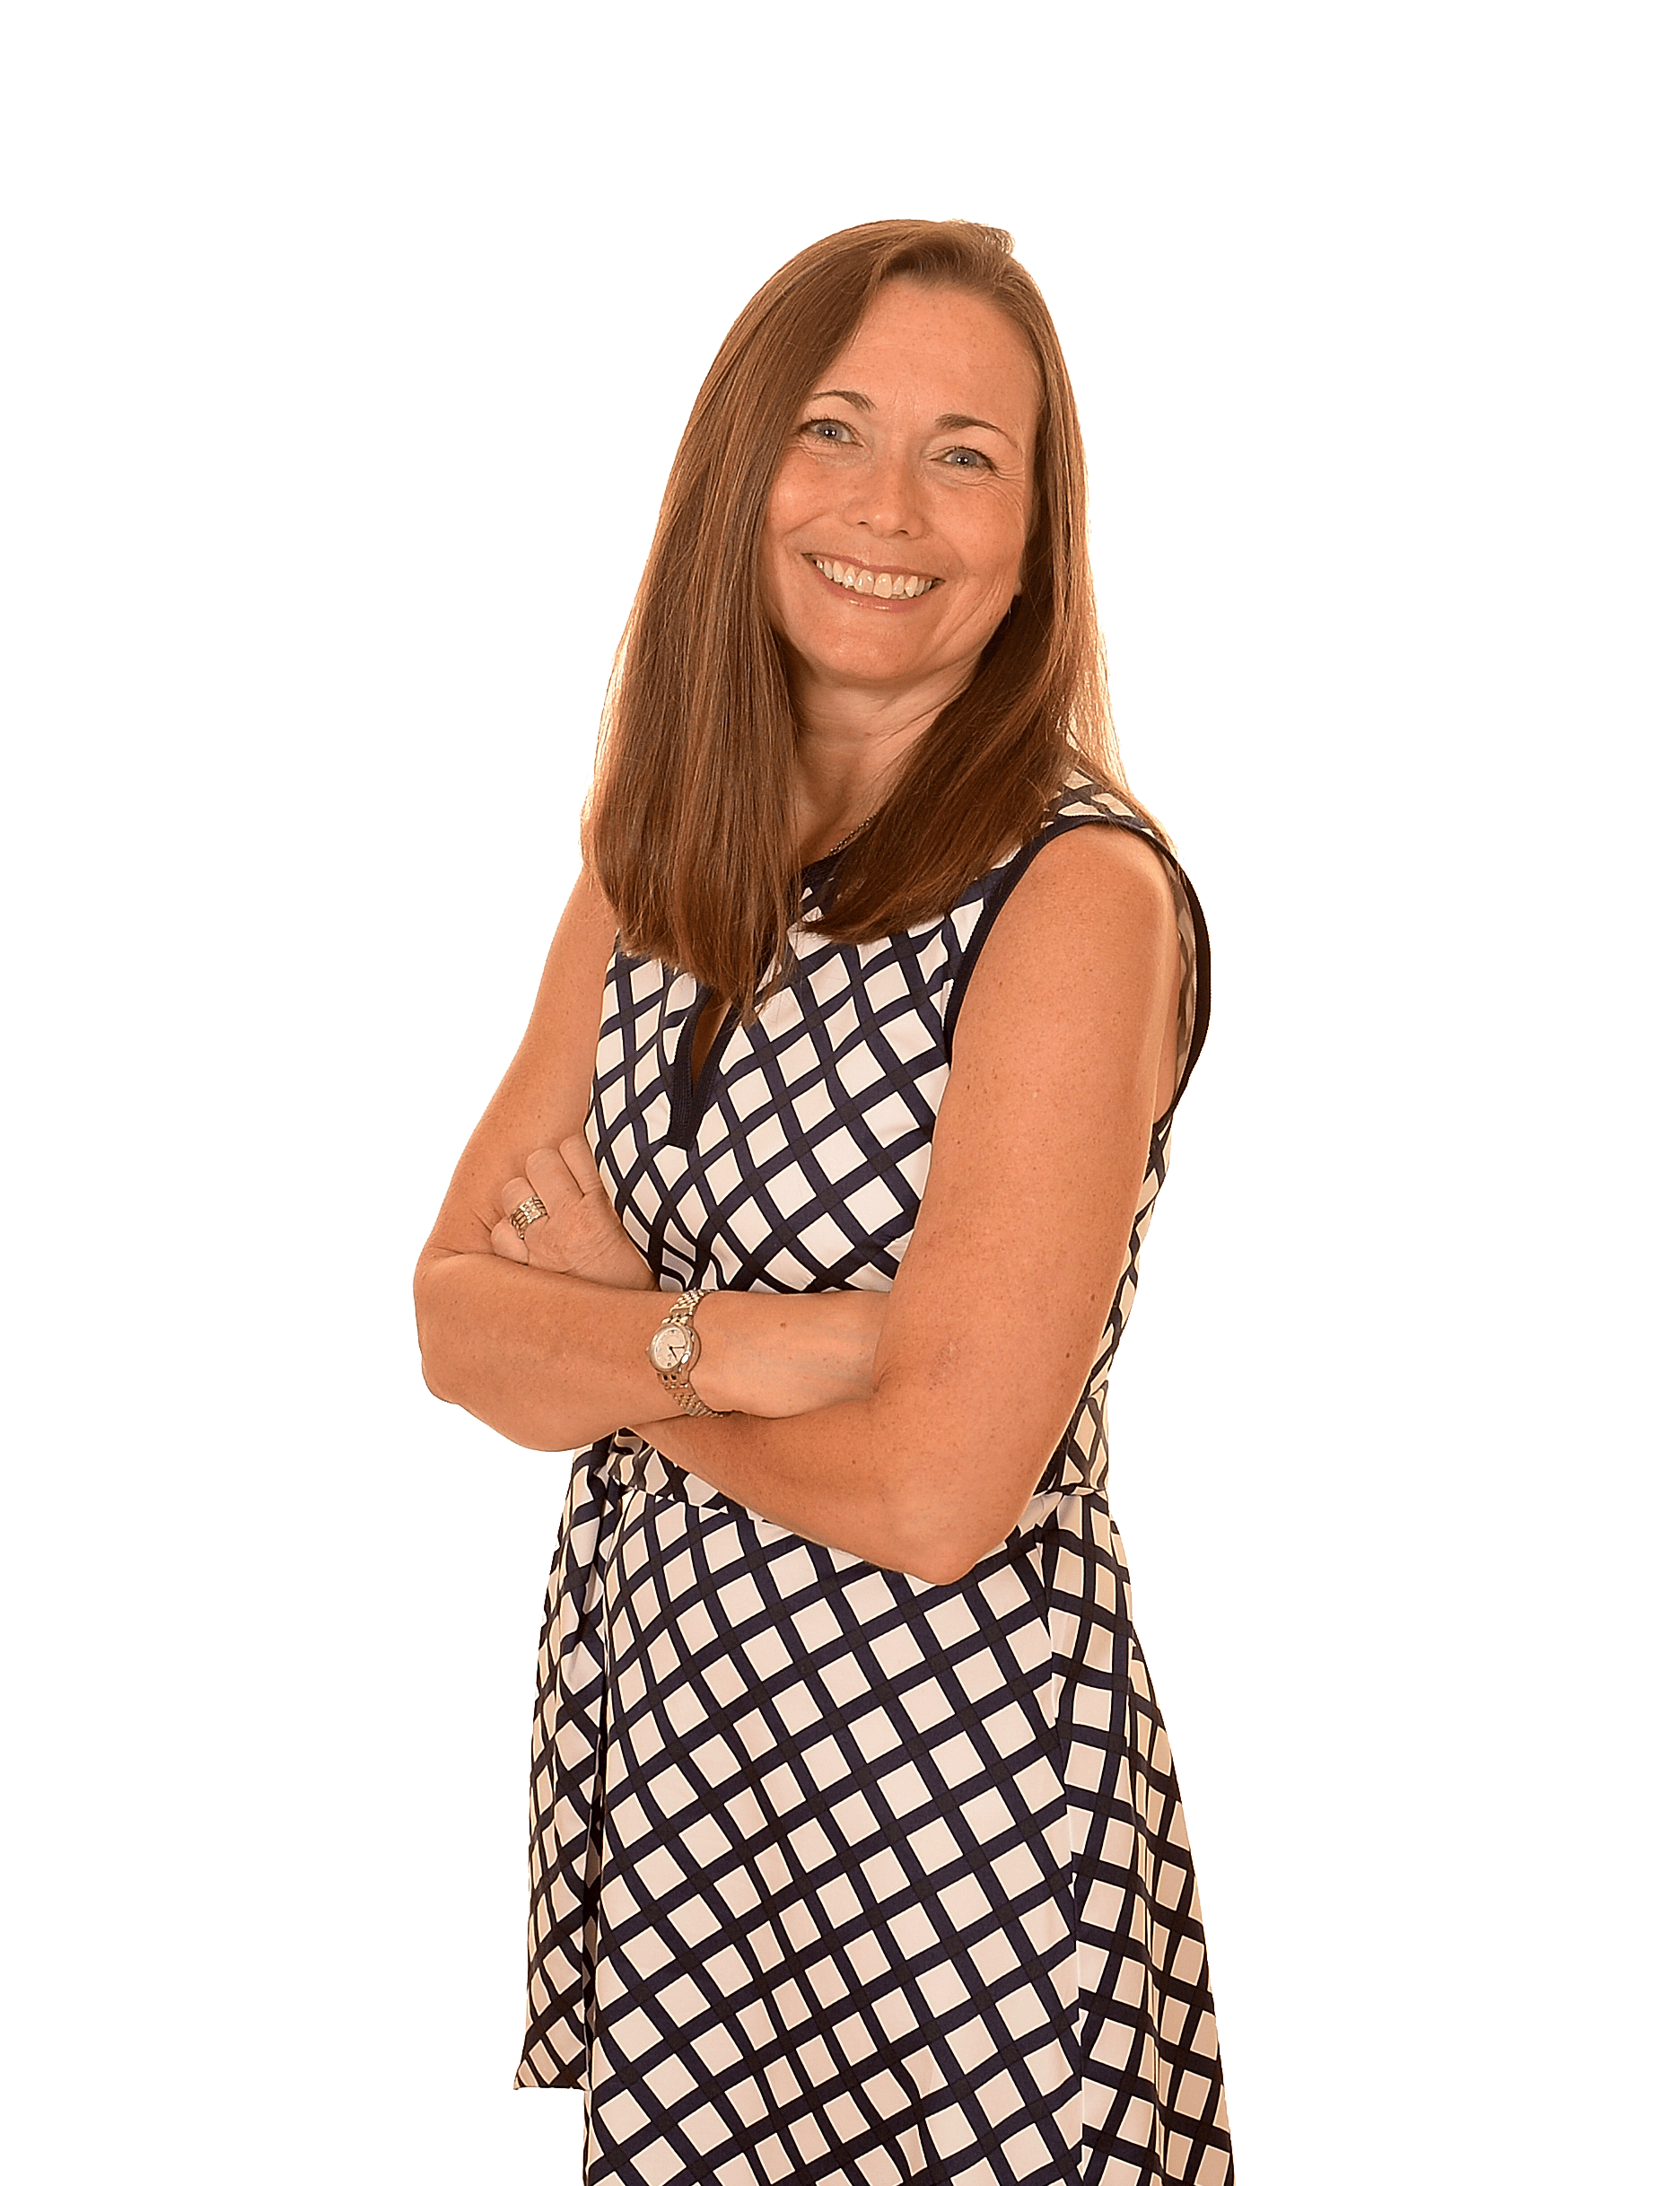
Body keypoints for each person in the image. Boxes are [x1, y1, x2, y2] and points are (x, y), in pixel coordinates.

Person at [414, 216, 1232, 2186]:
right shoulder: (651, 871)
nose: (892, 505)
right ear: (738, 472)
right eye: (835, 429)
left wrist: (614, 1339)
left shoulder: (1079, 896)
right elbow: (454, 1317)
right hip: (696, 1793)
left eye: (970, 453)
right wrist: (791, 1349)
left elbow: (943, 1494)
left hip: (957, 1831)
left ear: (1039, 542)